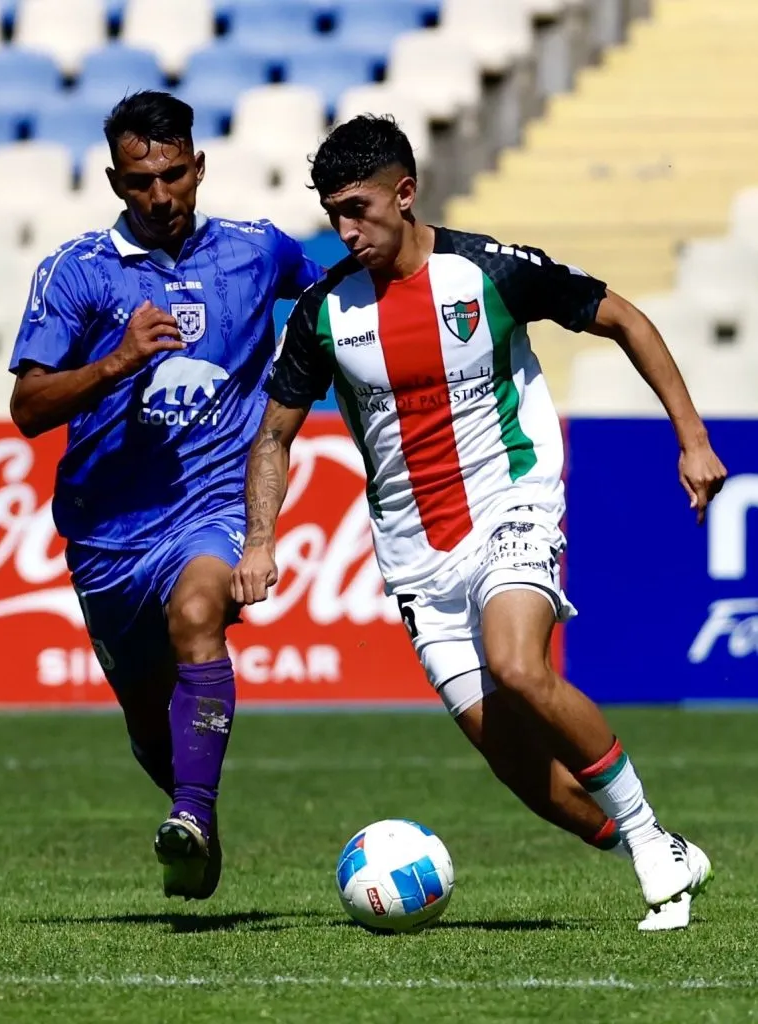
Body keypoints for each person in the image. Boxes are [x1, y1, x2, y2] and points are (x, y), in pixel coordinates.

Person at [231, 115, 728, 931]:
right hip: (414, 556)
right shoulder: (323, 311)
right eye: (332, 215)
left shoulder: (488, 271)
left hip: (512, 502)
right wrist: (259, 539)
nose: (346, 230)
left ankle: (648, 841)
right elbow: (276, 435)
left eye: (359, 208)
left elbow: (625, 319)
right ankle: (659, 844)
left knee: (519, 665)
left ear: (405, 191)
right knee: (518, 768)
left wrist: (693, 440)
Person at [8, 91, 321, 902]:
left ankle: (191, 813)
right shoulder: (76, 273)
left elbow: (332, 301)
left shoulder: (258, 251)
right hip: (109, 535)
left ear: (198, 166)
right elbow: (29, 410)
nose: (160, 195)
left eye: (174, 174)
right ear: (116, 180)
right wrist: (113, 363)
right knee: (152, 726)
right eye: (141, 179)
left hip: (213, 502)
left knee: (198, 616)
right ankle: (194, 817)